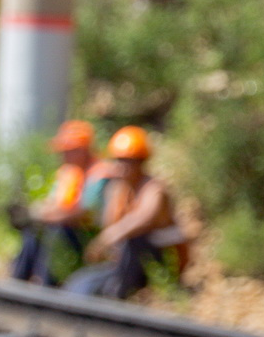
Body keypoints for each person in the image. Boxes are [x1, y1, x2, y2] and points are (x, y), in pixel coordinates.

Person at [70, 126, 188, 301]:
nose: (121, 167)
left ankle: (118, 296)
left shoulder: (154, 189)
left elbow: (143, 219)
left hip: (157, 263)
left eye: (128, 161)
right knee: (80, 284)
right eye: (119, 160)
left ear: (141, 162)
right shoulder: (119, 191)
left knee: (135, 240)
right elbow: (109, 224)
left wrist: (109, 236)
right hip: (124, 265)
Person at [6, 119, 95, 286]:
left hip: (83, 236)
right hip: (61, 228)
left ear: (81, 150)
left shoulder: (98, 174)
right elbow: (53, 202)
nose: (62, 155)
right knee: (33, 230)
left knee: (55, 231)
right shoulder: (67, 172)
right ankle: (18, 280)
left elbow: (85, 211)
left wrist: (46, 217)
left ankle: (48, 285)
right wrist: (34, 212)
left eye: (67, 151)